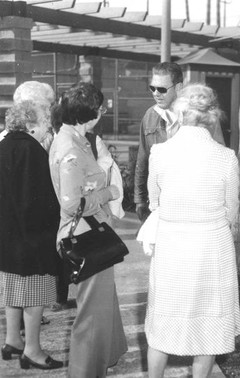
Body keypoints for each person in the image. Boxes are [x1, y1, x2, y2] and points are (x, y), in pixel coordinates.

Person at [144, 84, 240, 378]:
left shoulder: (159, 152)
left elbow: (154, 202)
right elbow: (232, 209)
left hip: (172, 246)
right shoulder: (226, 157)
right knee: (209, 327)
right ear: (211, 116)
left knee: (162, 322)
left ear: (179, 113)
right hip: (213, 247)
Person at [49, 82, 128, 377]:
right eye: (100, 108)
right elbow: (72, 204)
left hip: (90, 231)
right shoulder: (70, 146)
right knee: (91, 315)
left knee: (101, 304)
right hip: (84, 235)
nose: (102, 112)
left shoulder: (76, 139)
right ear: (90, 113)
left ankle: (102, 361)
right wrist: (109, 193)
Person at [0, 101, 63, 370]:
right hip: (32, 238)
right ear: (30, 124)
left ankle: (12, 340)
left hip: (7, 236)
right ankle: (33, 350)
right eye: (45, 119)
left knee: (12, 290)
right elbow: (39, 201)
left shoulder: (4, 146)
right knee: (35, 295)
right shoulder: (32, 151)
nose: (49, 123)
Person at [134, 62, 225, 222]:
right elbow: (142, 161)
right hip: (161, 206)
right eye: (152, 88)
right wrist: (140, 200)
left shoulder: (202, 117)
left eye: (162, 89)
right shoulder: (150, 116)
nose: (156, 93)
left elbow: (220, 162)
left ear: (178, 87)